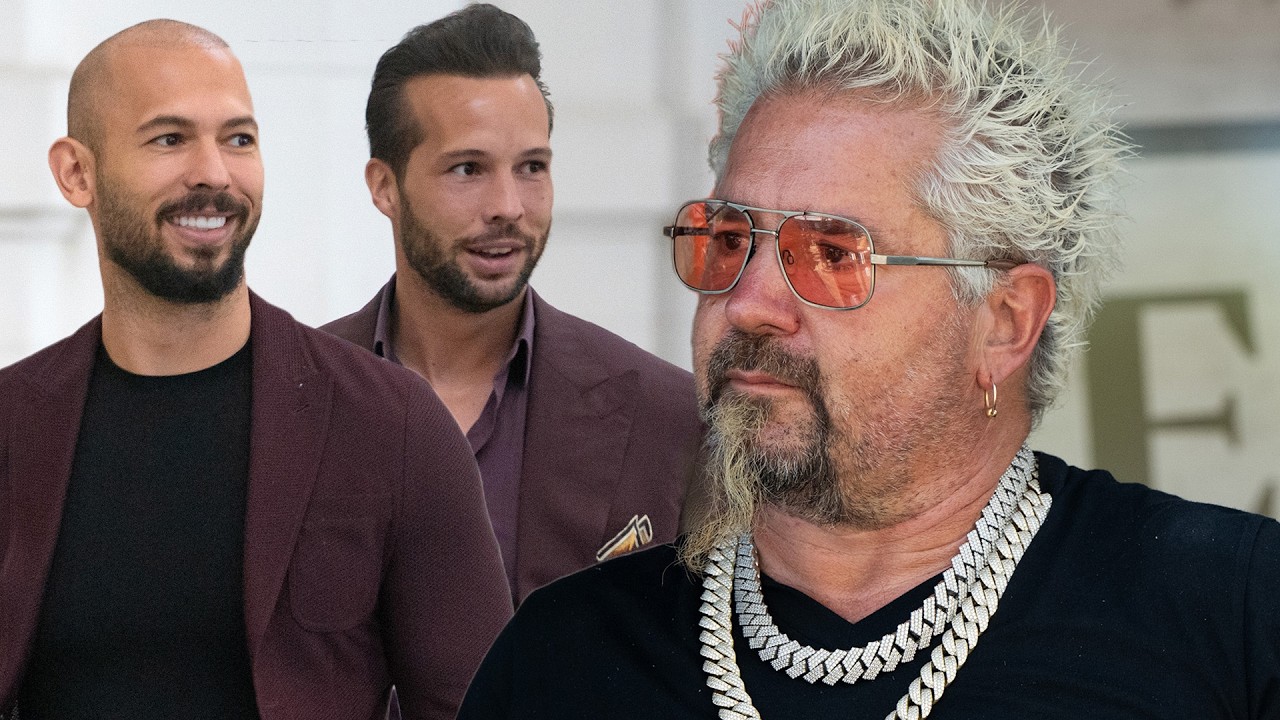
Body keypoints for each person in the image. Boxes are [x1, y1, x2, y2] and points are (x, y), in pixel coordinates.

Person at [456, 0, 1280, 717]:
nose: (747, 303)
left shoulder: (1233, 616)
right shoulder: (563, 661)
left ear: (1003, 321)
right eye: (730, 240)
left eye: (832, 253)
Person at [0, 19, 511, 720]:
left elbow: (486, 708)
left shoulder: (392, 426)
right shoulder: (13, 424)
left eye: (238, 139)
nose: (214, 173)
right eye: (169, 138)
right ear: (76, 173)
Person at [323, 4, 702, 604]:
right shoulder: (287, 394)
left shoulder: (669, 417)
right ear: (385, 187)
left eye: (531, 167)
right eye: (467, 169)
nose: (508, 205)